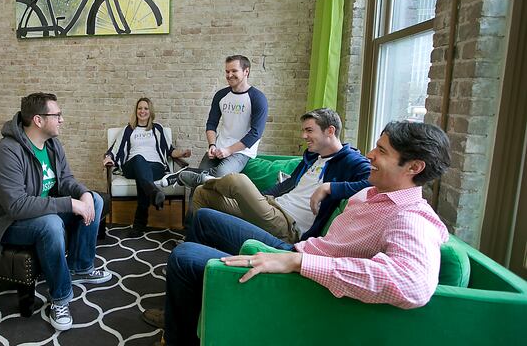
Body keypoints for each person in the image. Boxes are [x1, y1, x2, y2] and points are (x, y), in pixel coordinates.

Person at [151, 121, 451, 345]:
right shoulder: (375, 193)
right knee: (204, 218)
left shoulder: (412, 218)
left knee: (184, 256)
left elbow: (412, 284)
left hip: (300, 273)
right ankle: (196, 300)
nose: (370, 154)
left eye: (382, 151)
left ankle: (178, 338)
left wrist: (298, 263)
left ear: (414, 167)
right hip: (300, 249)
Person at [0, 93, 111, 332]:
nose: (62, 120)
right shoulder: (6, 152)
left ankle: (81, 266)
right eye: (56, 115)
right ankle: (60, 298)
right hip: (4, 221)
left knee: (95, 200)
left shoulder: (52, 144)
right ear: (38, 120)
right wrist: (69, 204)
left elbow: (66, 180)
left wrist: (84, 194)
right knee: (50, 224)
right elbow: (16, 206)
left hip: (36, 210)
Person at [192, 108, 370, 243]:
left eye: (309, 130)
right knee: (202, 193)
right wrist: (258, 200)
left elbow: (373, 182)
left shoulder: (351, 160)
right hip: (272, 207)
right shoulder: (313, 158)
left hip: (288, 226)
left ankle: (208, 179)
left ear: (330, 131)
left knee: (236, 180)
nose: (303, 136)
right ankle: (197, 247)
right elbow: (287, 185)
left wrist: (329, 187)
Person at [161, 55, 267, 188]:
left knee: (220, 175)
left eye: (234, 71)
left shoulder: (257, 98)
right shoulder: (221, 95)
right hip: (218, 147)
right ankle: (193, 207)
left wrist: (229, 150)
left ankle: (182, 175)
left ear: (246, 71)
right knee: (198, 187)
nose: (229, 75)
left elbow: (255, 134)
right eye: (227, 71)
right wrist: (212, 145)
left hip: (241, 151)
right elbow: (211, 124)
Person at [104, 97, 191, 236]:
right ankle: (153, 193)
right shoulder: (129, 129)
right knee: (139, 159)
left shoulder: (157, 129)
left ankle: (140, 223)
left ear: (150, 111)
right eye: (140, 108)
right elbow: (115, 149)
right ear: (136, 111)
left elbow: (170, 150)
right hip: (132, 165)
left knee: (143, 176)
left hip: (155, 167)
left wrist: (182, 152)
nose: (142, 111)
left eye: (145, 108)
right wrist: (108, 158)